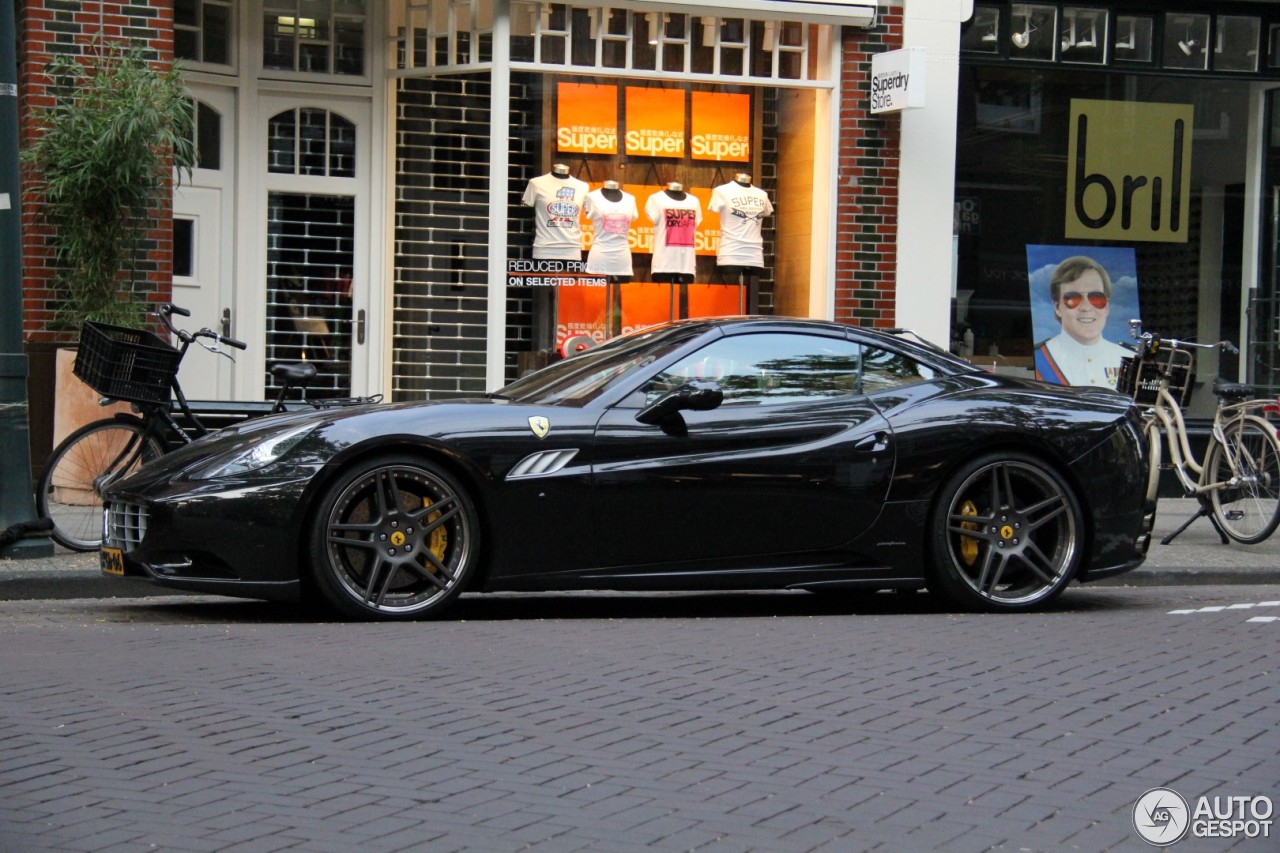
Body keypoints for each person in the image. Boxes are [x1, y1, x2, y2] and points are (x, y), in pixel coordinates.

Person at [1033, 255, 1131, 388]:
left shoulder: (1130, 360)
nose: (1086, 307)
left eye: (1096, 298)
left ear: (1106, 307)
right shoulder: (1037, 360)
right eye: (1073, 299)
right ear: (1057, 307)